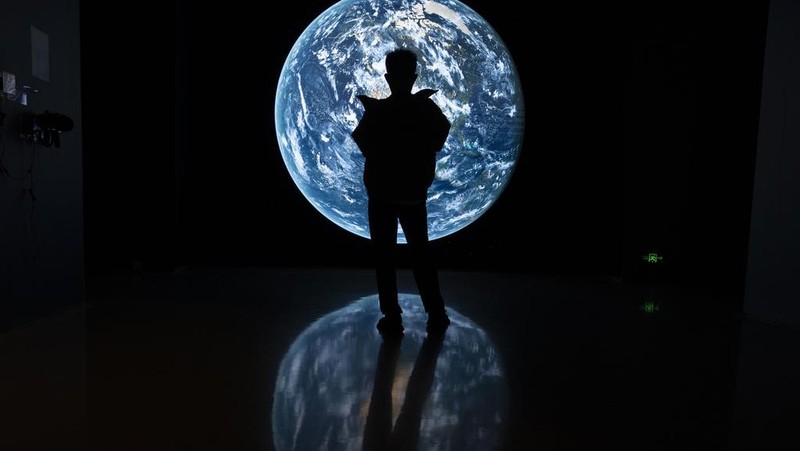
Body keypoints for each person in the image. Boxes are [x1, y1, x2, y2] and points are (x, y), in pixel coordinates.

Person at [351, 48, 451, 336]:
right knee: (420, 254)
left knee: (385, 257)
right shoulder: (425, 109)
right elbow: (440, 135)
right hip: (412, 194)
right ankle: (436, 312)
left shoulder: (378, 111)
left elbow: (362, 139)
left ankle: (393, 316)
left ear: (388, 77)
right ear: (414, 77)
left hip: (382, 195)